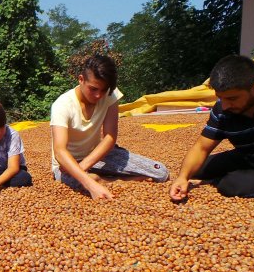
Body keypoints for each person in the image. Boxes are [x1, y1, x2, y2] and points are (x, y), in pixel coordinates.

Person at [50, 55, 168, 200]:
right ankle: (110, 179)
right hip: (68, 163)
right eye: (93, 89)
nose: (98, 95)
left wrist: (84, 167)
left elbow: (110, 137)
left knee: (160, 173)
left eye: (103, 89)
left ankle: (97, 177)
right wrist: (88, 183)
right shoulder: (62, 105)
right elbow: (59, 151)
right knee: (70, 180)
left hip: (97, 155)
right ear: (81, 79)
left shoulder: (110, 95)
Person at [170, 55, 254, 201]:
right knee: (197, 169)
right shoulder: (222, 109)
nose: (224, 106)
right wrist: (182, 178)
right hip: (251, 156)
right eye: (220, 97)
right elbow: (201, 148)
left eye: (232, 98)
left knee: (231, 184)